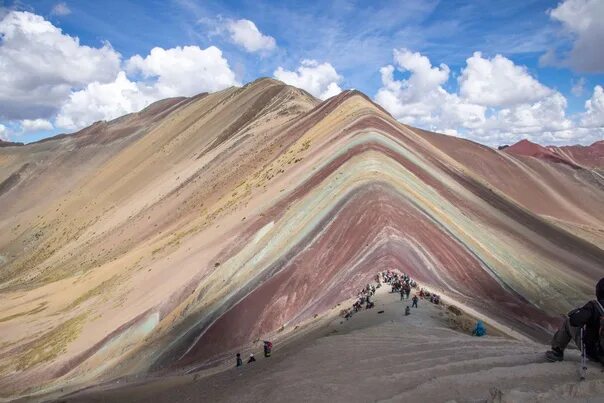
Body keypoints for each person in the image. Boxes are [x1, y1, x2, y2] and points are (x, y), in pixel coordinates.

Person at [545, 278, 604, 364]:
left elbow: (574, 321)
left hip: (596, 354)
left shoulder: (594, 306)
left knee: (568, 322)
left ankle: (556, 353)